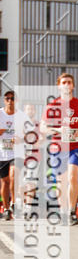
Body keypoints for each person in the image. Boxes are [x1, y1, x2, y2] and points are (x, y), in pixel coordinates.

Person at [40, 73, 78, 225]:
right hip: (58, 147)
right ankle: (63, 211)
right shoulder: (53, 105)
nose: (67, 84)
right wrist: (58, 130)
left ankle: (72, 212)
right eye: (64, 82)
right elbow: (43, 127)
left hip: (76, 147)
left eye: (69, 82)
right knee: (61, 181)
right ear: (59, 86)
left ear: (73, 86)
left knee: (72, 177)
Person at [0, 89, 20, 219]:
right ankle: (6, 209)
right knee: (5, 182)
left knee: (13, 177)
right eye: (7, 98)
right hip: (2, 152)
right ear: (4, 100)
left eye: (12, 99)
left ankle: (13, 203)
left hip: (16, 152)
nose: (10, 101)